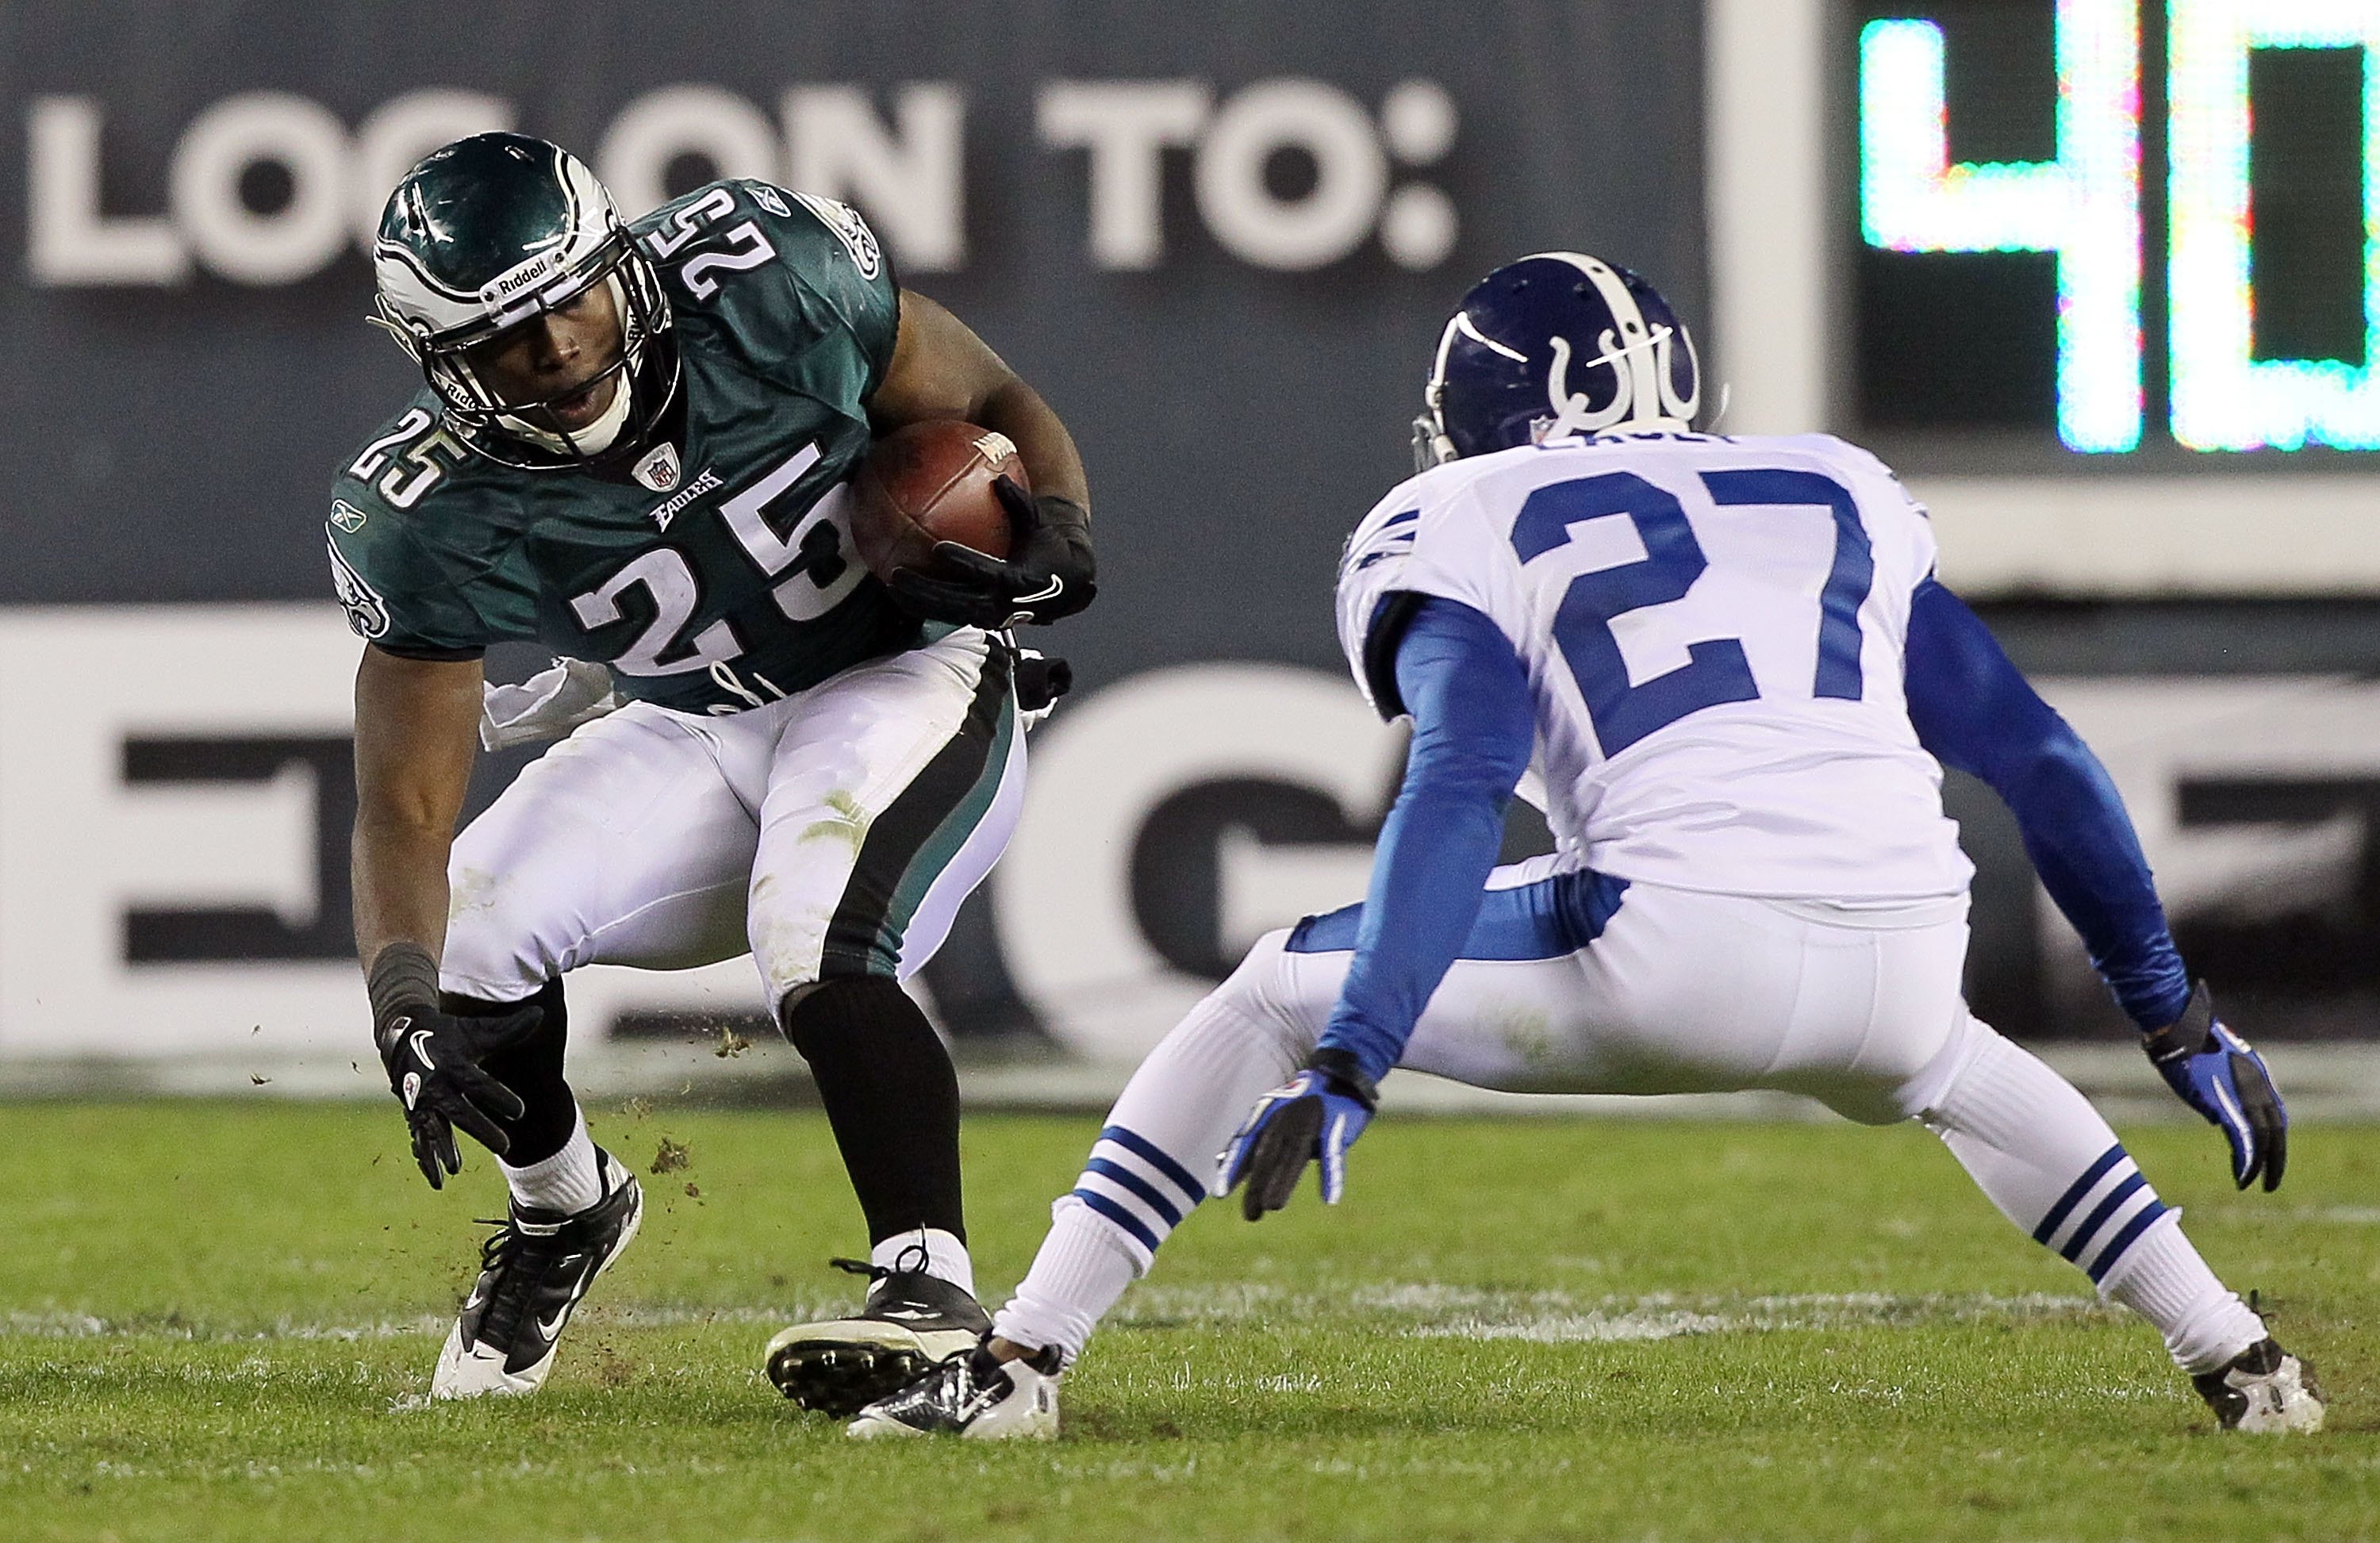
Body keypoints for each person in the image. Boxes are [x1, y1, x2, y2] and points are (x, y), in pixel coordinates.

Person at [849, 252, 2323, 1441]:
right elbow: (2037, 754)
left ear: (1477, 414)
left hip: (1669, 945)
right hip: (1905, 948)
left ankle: (1021, 1359)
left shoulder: (1461, 509)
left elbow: (1466, 772)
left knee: (1265, 989)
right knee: (1950, 1061)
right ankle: (2240, 1357)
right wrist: (2173, 1011)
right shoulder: (1833, 486)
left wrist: (1357, 1050)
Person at [330, 132, 1093, 1411]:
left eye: (571, 296)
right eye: (512, 335)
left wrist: (1059, 524)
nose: (563, 346)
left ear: (616, 259)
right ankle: (563, 1210)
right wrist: (399, 998)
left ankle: (933, 1288)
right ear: (442, 365)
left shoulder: (764, 271)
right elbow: (402, 803)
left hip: (903, 672)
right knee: (471, 932)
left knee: (815, 927)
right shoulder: (420, 510)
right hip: (698, 718)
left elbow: (994, 399)